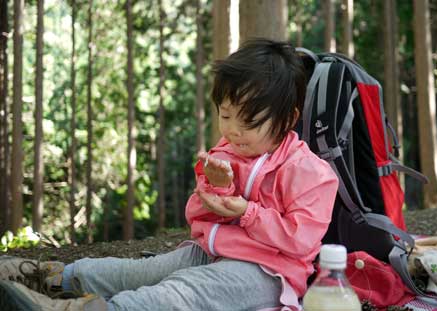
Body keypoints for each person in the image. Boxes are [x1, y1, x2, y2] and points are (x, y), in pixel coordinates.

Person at [0, 38, 339, 311]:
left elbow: (302, 239)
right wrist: (217, 190)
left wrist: (247, 212)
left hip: (267, 273)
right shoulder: (228, 153)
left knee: (183, 293)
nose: (233, 131)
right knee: (139, 272)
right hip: (211, 251)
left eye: (248, 121)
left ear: (288, 118)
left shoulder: (311, 172)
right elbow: (197, 218)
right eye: (225, 115)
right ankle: (46, 277)